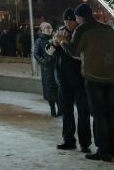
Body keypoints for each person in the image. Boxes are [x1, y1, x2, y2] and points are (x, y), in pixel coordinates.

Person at [58, 3, 114, 162]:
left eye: (75, 18)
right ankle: (112, 146)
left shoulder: (82, 29)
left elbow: (73, 51)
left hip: (93, 76)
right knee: (111, 113)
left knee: (99, 114)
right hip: (111, 76)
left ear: (80, 17)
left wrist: (62, 42)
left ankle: (104, 150)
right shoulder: (108, 29)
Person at [47, 8, 91, 152]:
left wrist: (65, 42)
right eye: (66, 21)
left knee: (83, 113)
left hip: (80, 80)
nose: (68, 24)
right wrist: (54, 43)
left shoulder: (81, 33)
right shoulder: (60, 32)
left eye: (71, 21)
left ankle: (85, 143)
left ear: (76, 21)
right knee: (66, 112)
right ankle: (68, 140)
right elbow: (49, 52)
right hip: (63, 79)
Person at [34, 22, 60, 117]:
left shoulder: (55, 39)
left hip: (57, 67)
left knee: (58, 89)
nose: (49, 29)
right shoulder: (39, 41)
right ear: (42, 30)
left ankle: (60, 110)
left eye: (50, 28)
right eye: (47, 28)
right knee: (50, 91)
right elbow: (36, 54)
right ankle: (53, 110)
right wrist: (44, 62)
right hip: (47, 70)